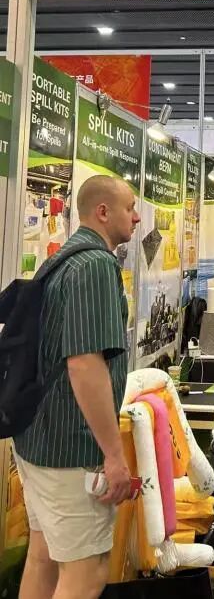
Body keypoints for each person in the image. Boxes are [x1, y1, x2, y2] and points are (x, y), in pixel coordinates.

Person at [14, 175, 140, 599]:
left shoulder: (63, 260)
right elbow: (85, 364)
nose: (137, 217)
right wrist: (114, 456)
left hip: (38, 440)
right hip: (71, 450)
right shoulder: (95, 266)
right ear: (103, 212)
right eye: (130, 208)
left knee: (44, 558)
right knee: (87, 572)